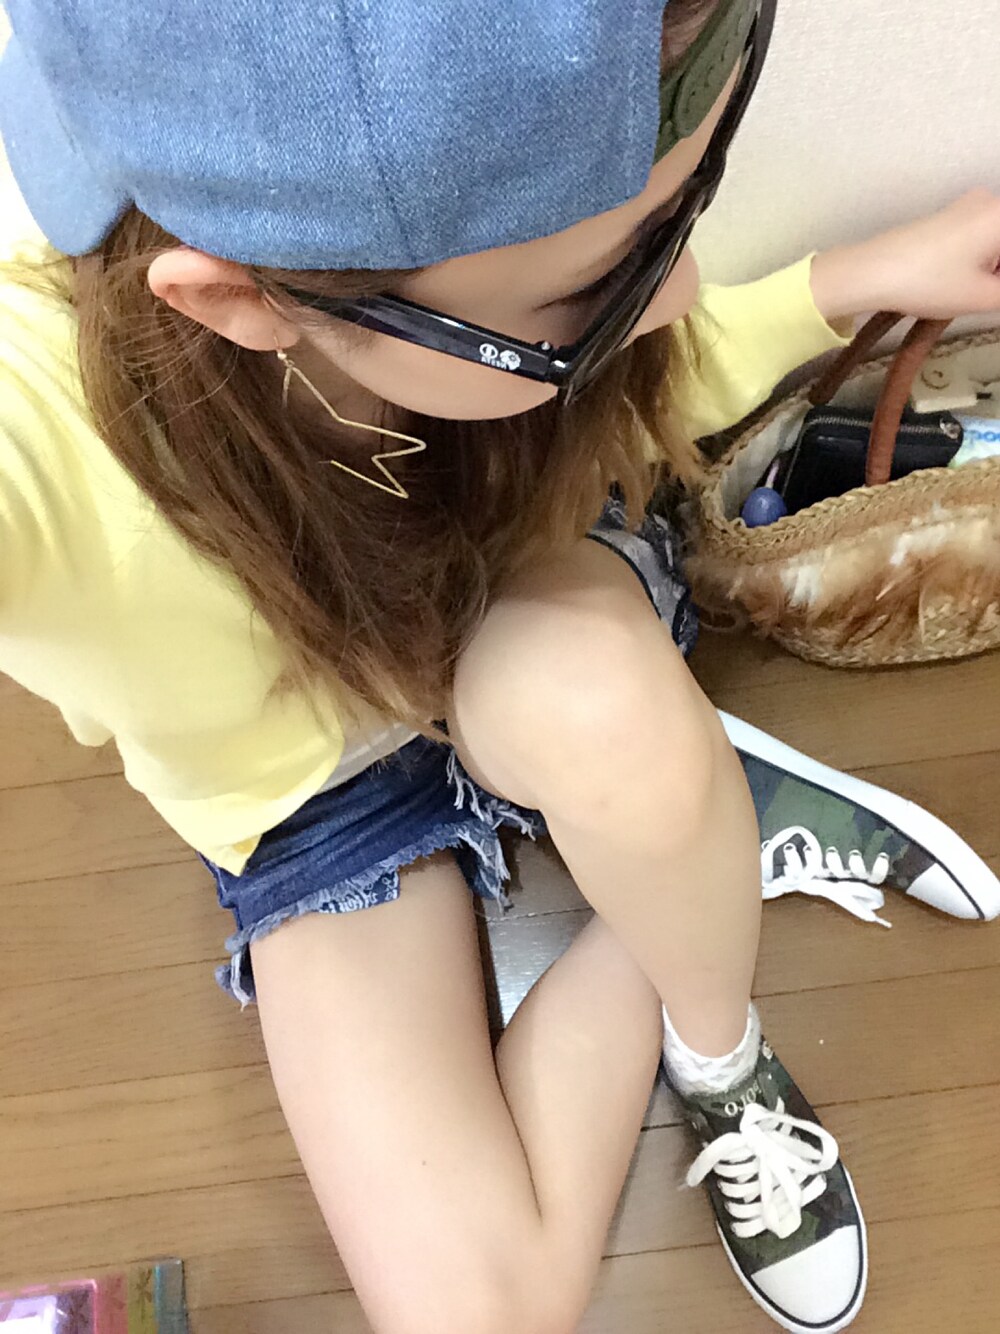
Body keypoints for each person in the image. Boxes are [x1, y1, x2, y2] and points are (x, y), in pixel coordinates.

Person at [1, 0, 999, 1330]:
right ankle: (707, 843)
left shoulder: (472, 286)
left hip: (531, 609)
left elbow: (649, 375)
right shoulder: (48, 419)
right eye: (587, 298)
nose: (675, 295)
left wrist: (860, 275)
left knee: (595, 707)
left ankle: (719, 1035)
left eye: (677, 216)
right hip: (306, 798)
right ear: (239, 297)